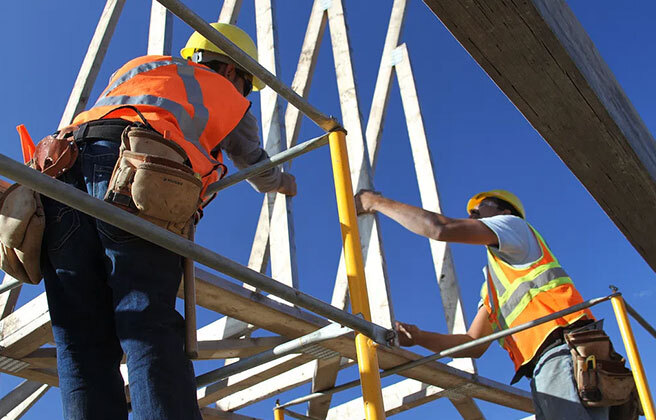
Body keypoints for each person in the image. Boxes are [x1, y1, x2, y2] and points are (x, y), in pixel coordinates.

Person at [41, 23, 295, 420]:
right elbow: (254, 163)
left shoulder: (143, 66)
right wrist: (282, 181)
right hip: (135, 175)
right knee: (147, 321)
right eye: (246, 83)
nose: (244, 94)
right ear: (232, 69)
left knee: (79, 339)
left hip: (59, 172)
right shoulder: (224, 91)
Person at [354, 189, 608, 420]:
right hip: (551, 361)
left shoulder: (514, 226)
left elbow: (440, 228)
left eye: (482, 206)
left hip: (563, 349)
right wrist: (419, 337)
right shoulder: (495, 285)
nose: (473, 212)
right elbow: (472, 344)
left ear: (505, 212)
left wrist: (375, 202)